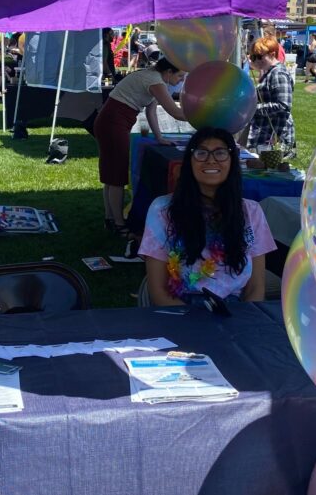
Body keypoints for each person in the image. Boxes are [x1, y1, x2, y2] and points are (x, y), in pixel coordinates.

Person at [138, 127, 276, 306]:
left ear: (232, 161)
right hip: (181, 314)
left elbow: (255, 288)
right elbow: (158, 292)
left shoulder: (252, 212)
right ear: (190, 162)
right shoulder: (163, 210)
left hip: (237, 314)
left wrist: (243, 324)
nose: (211, 160)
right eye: (201, 153)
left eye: (220, 153)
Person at [93, 56, 186, 236]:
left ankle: (110, 219)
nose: (181, 80)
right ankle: (120, 224)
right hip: (113, 123)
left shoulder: (153, 78)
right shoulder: (155, 81)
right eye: (180, 76)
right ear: (168, 72)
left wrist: (159, 137)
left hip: (110, 121)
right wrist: (200, 114)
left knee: (111, 175)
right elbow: (175, 112)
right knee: (117, 176)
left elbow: (152, 112)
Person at [246, 36, 296, 157]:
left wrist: (253, 109)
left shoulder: (278, 73)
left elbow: (284, 105)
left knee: (272, 173)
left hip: (276, 135)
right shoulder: (268, 72)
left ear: (272, 54)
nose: (255, 61)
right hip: (266, 133)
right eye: (253, 57)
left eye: (259, 57)